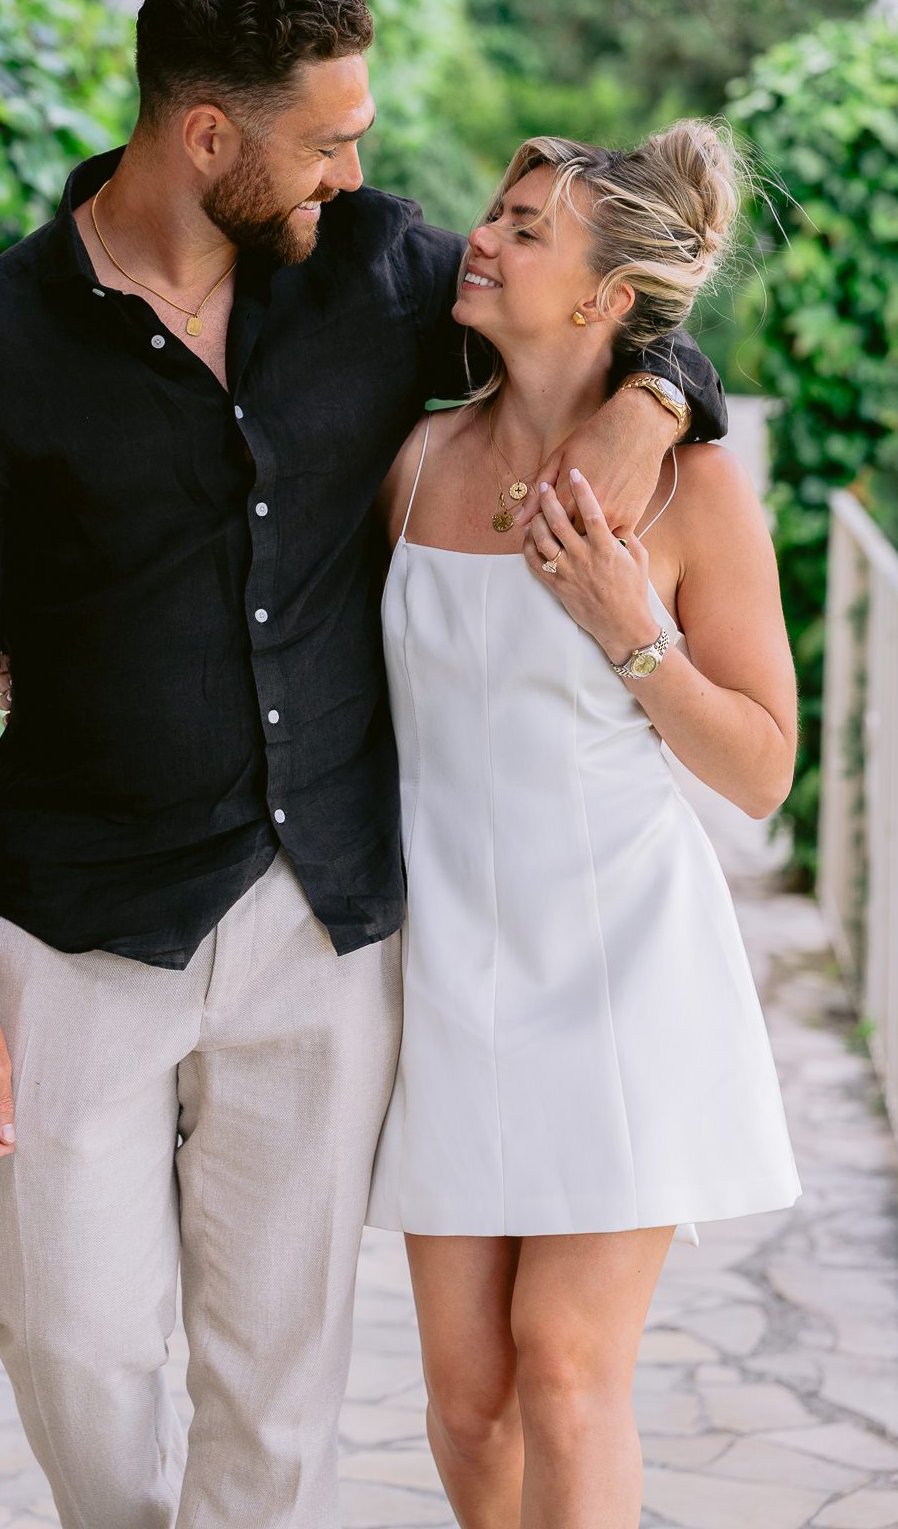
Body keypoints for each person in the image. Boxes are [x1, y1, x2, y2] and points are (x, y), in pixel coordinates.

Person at [0, 0, 728, 1529]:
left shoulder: (375, 271)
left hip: (319, 920)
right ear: (209, 136)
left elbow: (598, 310)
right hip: (77, 921)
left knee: (277, 1369)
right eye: (327, 140)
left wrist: (659, 398)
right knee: (72, 1334)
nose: (355, 172)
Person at [365, 124, 801, 1529]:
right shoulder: (413, 462)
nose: (481, 239)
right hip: (446, 972)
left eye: (524, 228)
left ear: (607, 299)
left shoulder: (691, 491)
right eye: (495, 213)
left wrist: (633, 635)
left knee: (563, 1371)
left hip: (622, 968)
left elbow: (762, 769)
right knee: (467, 1401)